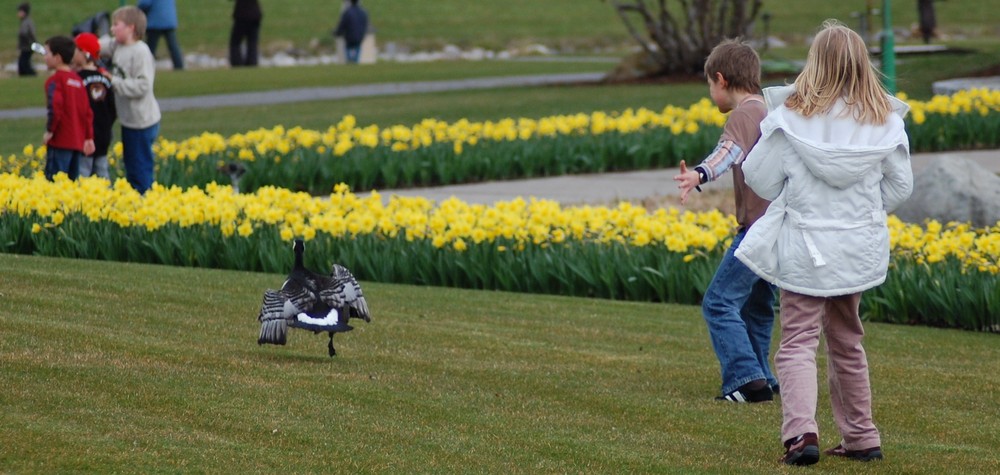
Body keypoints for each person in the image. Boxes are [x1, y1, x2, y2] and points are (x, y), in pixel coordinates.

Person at [734, 20, 912, 466]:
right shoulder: (883, 123)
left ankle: (801, 434)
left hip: (805, 247)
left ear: (814, 63)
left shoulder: (791, 119)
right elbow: (900, 188)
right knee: (848, 340)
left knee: (797, 341)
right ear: (861, 66)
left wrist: (796, 196)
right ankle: (861, 436)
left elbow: (759, 177)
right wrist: (862, 211)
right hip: (855, 247)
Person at [672, 39, 777, 403]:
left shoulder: (744, 114)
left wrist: (699, 174)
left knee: (718, 302)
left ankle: (745, 380)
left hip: (757, 229)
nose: (710, 93)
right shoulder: (769, 110)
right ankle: (762, 375)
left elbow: (728, 152)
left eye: (709, 86)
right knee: (757, 306)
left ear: (721, 79)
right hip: (777, 227)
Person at [103, 6, 161, 194]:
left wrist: (114, 81)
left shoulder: (140, 52)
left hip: (142, 122)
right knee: (131, 165)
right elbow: (101, 45)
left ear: (131, 28)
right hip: (129, 121)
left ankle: (145, 204)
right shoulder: (118, 46)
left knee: (140, 168)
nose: (112, 29)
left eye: (116, 25)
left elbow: (143, 86)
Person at [41, 36, 95, 181]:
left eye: (47, 53)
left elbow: (55, 107)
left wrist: (50, 131)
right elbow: (87, 112)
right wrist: (88, 137)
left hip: (60, 141)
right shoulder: (78, 80)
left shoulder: (55, 81)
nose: (44, 57)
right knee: (70, 185)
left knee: (55, 183)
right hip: (77, 142)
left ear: (57, 57)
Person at [73, 32, 116, 179]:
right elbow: (112, 108)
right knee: (102, 173)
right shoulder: (105, 78)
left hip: (85, 136)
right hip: (104, 134)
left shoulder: (77, 79)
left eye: (76, 49)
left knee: (83, 173)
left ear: (85, 53)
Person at [137, 0, 183, 70]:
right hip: (169, 19)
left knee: (150, 48)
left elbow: (145, 4)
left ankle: (145, 67)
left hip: (154, 20)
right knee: (173, 46)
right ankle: (179, 66)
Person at [229, 0, 262, 67]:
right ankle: (252, 63)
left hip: (242, 15)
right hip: (255, 14)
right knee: (252, 42)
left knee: (235, 42)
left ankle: (237, 63)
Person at [16, 2, 36, 76]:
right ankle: (24, 76)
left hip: (27, 47)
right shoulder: (25, 21)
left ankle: (32, 75)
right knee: (22, 63)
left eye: (20, 11)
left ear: (24, 12)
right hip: (25, 47)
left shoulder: (27, 22)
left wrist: (31, 43)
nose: (18, 13)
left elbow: (26, 34)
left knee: (24, 64)